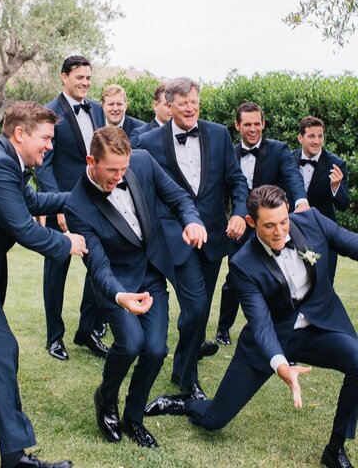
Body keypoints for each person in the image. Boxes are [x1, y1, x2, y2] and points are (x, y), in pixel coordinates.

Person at [146, 184, 358, 468]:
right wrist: (281, 365)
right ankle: (186, 403)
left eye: (284, 222)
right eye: (269, 226)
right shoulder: (243, 264)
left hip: (318, 327)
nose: (280, 231)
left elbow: (351, 243)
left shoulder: (313, 221)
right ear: (251, 222)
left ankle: (335, 448)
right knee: (214, 420)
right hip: (271, 338)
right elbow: (260, 323)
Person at [0, 101, 88, 466]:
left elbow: (32, 201)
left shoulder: (5, 160)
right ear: (20, 134)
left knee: (2, 353)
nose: (49, 145)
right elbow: (25, 228)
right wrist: (68, 243)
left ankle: (15, 459)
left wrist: (85, 193)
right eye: (45, 138)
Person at [64, 126, 207, 448]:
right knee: (130, 344)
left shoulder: (141, 161)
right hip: (116, 283)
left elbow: (178, 197)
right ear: (91, 161)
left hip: (152, 273)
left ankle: (134, 418)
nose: (119, 176)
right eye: (111, 170)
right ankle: (106, 396)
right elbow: (97, 266)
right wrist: (119, 296)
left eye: (123, 169)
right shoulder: (77, 207)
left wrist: (192, 220)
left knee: (156, 349)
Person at [139, 77, 249, 398]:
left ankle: (180, 368)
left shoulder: (217, 134)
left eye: (194, 101)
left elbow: (236, 181)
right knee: (198, 306)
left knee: (197, 314)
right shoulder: (148, 142)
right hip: (177, 239)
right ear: (169, 104)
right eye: (183, 102)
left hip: (214, 237)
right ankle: (189, 380)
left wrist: (240, 212)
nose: (190, 107)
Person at [216, 101, 309, 346]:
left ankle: (273, 329)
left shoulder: (279, 150)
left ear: (264, 124)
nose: (253, 128)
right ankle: (223, 329)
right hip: (240, 226)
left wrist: (300, 201)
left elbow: (292, 177)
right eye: (247, 124)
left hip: (270, 228)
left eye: (257, 123)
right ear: (237, 126)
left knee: (275, 276)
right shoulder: (229, 153)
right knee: (233, 280)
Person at [36, 55, 108, 361]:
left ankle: (87, 330)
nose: (85, 83)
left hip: (94, 204)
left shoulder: (98, 110)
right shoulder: (49, 112)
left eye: (89, 78)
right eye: (79, 77)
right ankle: (55, 337)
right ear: (63, 77)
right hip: (61, 204)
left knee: (100, 267)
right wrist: (59, 206)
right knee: (56, 272)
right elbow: (44, 166)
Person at [292, 115, 350, 283]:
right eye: (311, 136)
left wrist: (335, 187)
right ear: (300, 137)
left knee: (324, 284)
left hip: (323, 235)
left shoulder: (336, 164)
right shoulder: (288, 159)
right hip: (293, 233)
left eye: (320, 136)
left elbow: (344, 204)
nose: (317, 141)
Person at [129, 83, 172, 148]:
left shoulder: (185, 133)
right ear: (155, 105)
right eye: (167, 105)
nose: (171, 109)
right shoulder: (139, 134)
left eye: (173, 105)